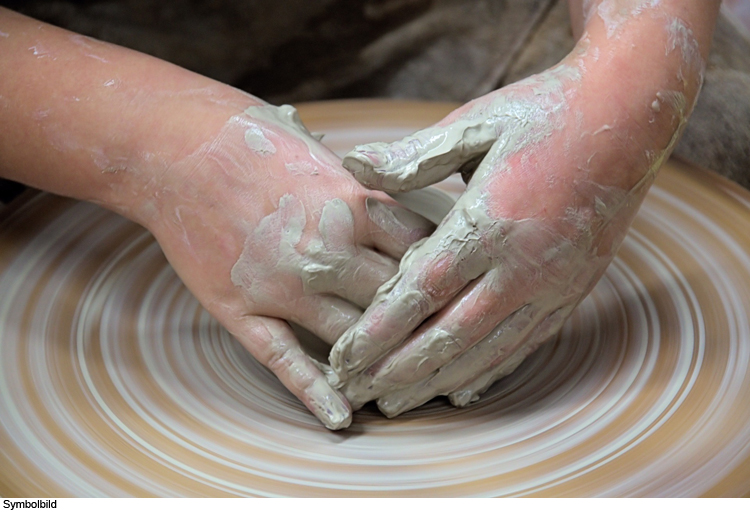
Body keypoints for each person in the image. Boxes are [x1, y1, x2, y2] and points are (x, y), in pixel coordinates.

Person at [0, 1, 722, 429]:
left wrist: (630, 85)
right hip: (57, 52)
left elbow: (637, 69)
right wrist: (156, 145)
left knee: (723, 133)